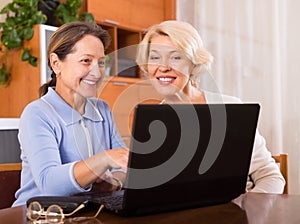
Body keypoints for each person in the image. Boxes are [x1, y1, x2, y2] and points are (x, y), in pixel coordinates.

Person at [136, 20, 285, 193]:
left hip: (239, 212)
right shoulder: (151, 124)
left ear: (194, 64)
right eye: (155, 57)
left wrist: (248, 212)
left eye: (175, 57)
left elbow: (270, 176)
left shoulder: (231, 109)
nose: (163, 67)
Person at [13, 21, 128, 206]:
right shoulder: (37, 114)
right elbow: (49, 184)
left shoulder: (102, 110)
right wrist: (103, 160)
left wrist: (113, 181)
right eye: (86, 61)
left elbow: (123, 162)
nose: (97, 73)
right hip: (38, 217)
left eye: (100, 63)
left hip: (86, 214)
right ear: (56, 63)